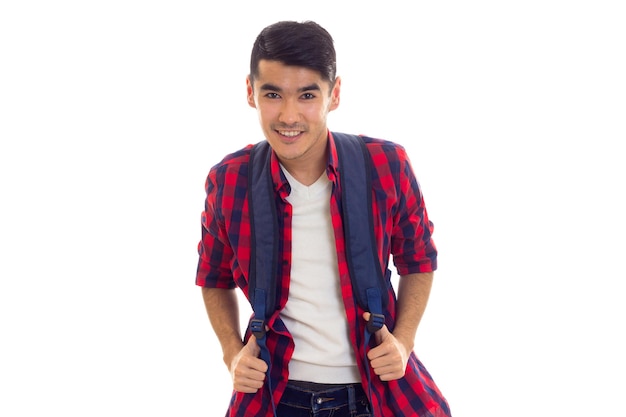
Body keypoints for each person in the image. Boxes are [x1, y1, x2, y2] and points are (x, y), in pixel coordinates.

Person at [196, 20, 451, 417]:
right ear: (251, 92)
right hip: (276, 395)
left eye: (307, 95)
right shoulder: (229, 180)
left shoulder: (386, 165)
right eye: (273, 94)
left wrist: (403, 341)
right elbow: (213, 278)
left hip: (374, 392)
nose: (288, 115)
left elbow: (419, 261)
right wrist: (231, 354)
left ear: (334, 95)